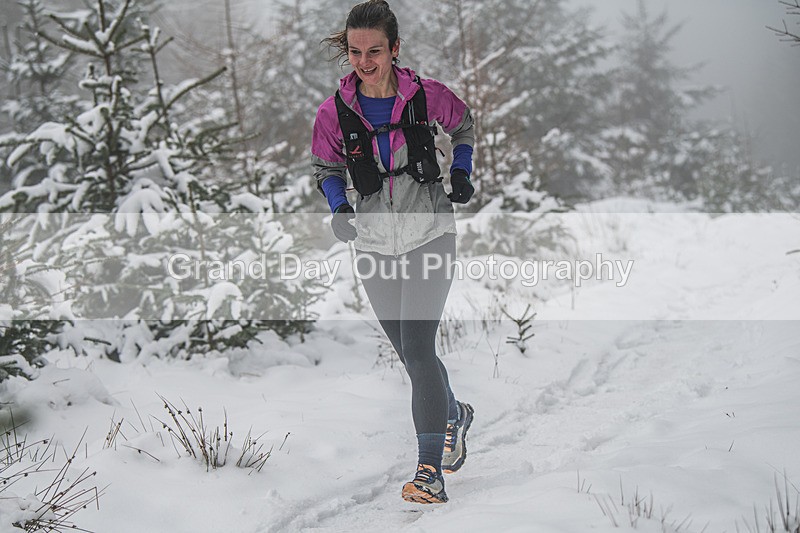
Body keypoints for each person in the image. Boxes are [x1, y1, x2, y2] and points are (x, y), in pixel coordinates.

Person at [311, 0, 475, 504]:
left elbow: (464, 127)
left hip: (430, 234)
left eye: (375, 51)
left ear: (394, 49)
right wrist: (340, 208)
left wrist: (461, 170)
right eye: (356, 52)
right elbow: (326, 170)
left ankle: (429, 471)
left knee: (420, 350)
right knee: (408, 353)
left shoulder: (426, 97)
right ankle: (455, 414)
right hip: (376, 244)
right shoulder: (333, 113)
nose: (365, 61)